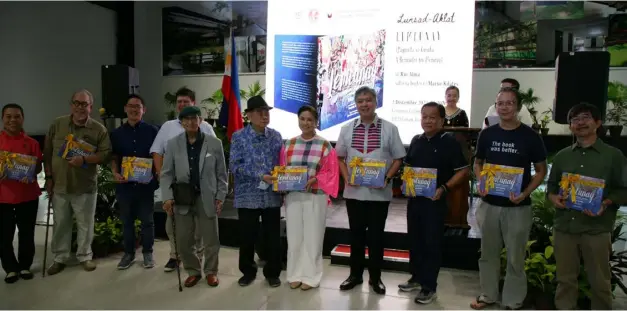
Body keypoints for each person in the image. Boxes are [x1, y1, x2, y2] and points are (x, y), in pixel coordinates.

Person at [470, 88, 547, 310]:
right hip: (489, 205)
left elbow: (541, 170)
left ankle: (513, 300)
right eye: (500, 103)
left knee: (515, 257)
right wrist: (481, 182)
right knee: (488, 254)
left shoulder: (530, 136)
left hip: (518, 206)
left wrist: (525, 193)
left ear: (518, 106)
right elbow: (478, 163)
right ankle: (488, 295)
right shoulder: (487, 134)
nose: (504, 107)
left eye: (509, 103)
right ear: (496, 106)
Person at [547, 103, 627, 310]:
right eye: (574, 119)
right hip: (565, 227)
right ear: (570, 125)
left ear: (598, 123)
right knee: (565, 280)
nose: (580, 123)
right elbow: (552, 187)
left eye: (585, 117)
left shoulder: (614, 156)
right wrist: (554, 198)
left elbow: (623, 190)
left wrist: (606, 202)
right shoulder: (563, 155)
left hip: (596, 228)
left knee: (600, 282)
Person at [336, 86, 406, 295]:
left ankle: (376, 279)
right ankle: (355, 275)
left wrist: (386, 177)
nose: (364, 104)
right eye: (360, 101)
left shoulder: (389, 128)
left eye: (368, 100)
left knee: (376, 238)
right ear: (355, 105)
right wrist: (347, 177)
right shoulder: (346, 129)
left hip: (379, 195)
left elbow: (398, 158)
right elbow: (339, 157)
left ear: (375, 102)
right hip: (354, 194)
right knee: (356, 236)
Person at [399, 102, 470, 303]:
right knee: (415, 240)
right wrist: (406, 182)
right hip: (415, 200)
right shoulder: (416, 140)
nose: (427, 121)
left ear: (441, 120)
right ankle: (416, 277)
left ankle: (429, 287)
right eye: (424, 116)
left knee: (432, 243)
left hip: (435, 202)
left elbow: (463, 171)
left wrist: (444, 189)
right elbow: (409, 166)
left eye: (432, 117)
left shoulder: (450, 142)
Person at [43, 89, 112, 275]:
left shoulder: (99, 129)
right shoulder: (57, 124)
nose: (80, 107)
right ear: (71, 104)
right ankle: (60, 258)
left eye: (85, 104)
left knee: (85, 224)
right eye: (77, 103)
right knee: (61, 224)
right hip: (59, 185)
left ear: (91, 107)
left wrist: (85, 160)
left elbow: (105, 154)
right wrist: (48, 177)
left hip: (85, 186)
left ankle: (85, 256)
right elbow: (47, 152)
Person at [150, 86, 216, 273]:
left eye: (186, 102)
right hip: (176, 187)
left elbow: (214, 155)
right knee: (172, 225)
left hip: (199, 187)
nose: (182, 105)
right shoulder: (168, 127)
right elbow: (157, 151)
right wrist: (161, 173)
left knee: (198, 227)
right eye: (179, 102)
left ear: (193, 103)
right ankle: (175, 255)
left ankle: (198, 258)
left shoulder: (205, 127)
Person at [160, 106, 228, 287]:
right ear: (181, 122)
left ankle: (211, 271)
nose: (190, 122)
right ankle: (193, 270)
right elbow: (166, 173)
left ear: (200, 120)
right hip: (182, 198)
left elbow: (222, 174)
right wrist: (166, 197)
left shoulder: (214, 143)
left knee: (211, 238)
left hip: (207, 197)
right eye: (186, 119)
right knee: (183, 240)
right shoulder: (173, 144)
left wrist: (220, 197)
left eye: (194, 118)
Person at [280, 105, 339, 291]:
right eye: (302, 119)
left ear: (316, 122)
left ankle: (311, 276)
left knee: (313, 237)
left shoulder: (324, 145)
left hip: (316, 196)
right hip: (293, 196)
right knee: (295, 236)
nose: (306, 123)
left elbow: (332, 172)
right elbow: (282, 169)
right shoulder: (288, 144)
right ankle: (295, 274)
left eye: (310, 120)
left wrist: (316, 178)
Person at [230, 95, 283, 288]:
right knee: (247, 237)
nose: (264, 115)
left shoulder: (276, 136)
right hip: (247, 196)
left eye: (267, 112)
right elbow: (235, 166)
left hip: (271, 195)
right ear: (249, 115)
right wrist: (260, 175)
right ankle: (247, 271)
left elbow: (281, 164)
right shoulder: (239, 137)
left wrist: (283, 179)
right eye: (260, 112)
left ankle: (273, 273)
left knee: (273, 237)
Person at [110, 95, 159, 270]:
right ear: (125, 108)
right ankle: (128, 254)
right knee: (127, 221)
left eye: (137, 107)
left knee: (147, 221)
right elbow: (114, 156)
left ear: (143, 110)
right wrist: (115, 172)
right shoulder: (116, 134)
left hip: (146, 185)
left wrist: (155, 174)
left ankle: (148, 253)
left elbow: (157, 156)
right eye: (131, 106)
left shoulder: (153, 131)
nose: (134, 109)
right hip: (125, 186)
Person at [0, 103, 43, 283]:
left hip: (27, 196)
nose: (12, 120)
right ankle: (10, 268)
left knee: (27, 233)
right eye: (8, 116)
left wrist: (31, 173)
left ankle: (25, 266)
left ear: (22, 118)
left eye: (16, 116)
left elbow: (38, 167)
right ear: (3, 119)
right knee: (3, 235)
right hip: (2, 197)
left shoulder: (32, 143)